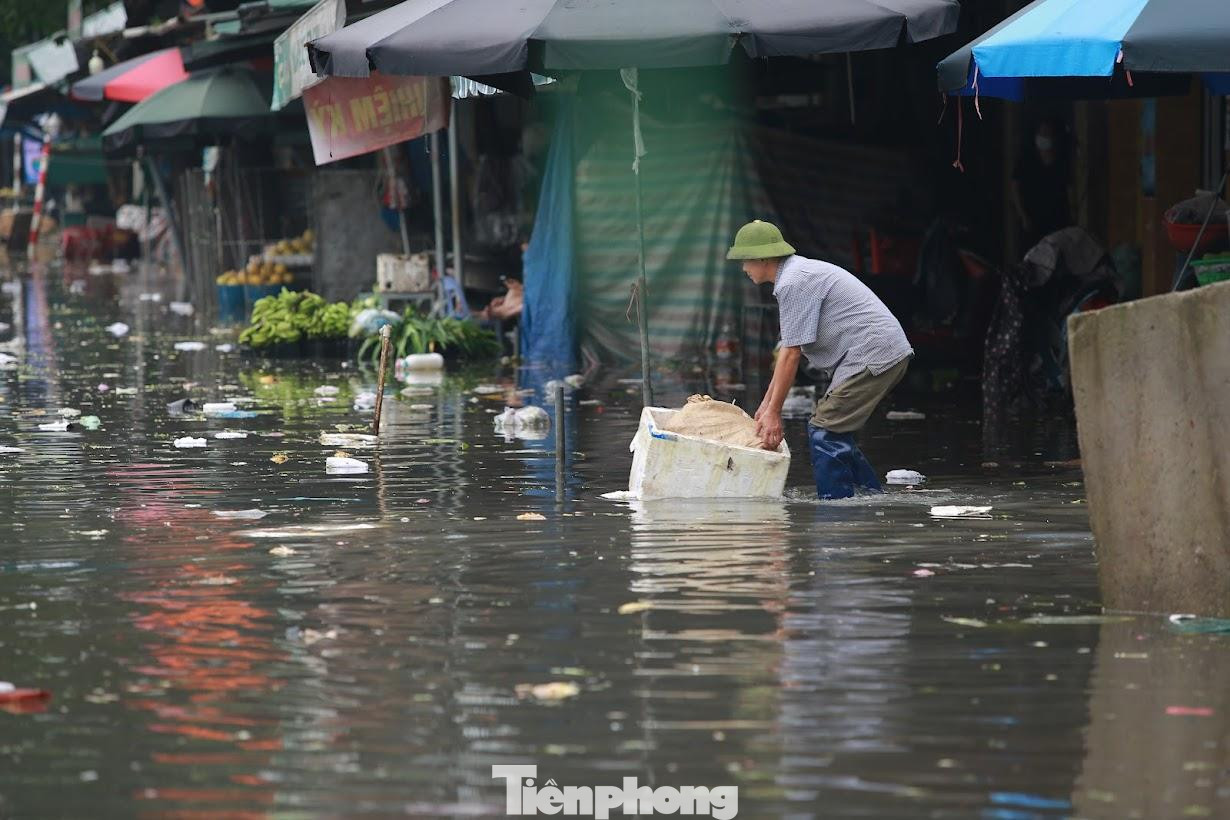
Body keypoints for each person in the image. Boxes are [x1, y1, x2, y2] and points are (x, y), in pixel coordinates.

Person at [727, 220, 913, 500]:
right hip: (871, 354)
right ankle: (870, 499)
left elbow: (791, 353)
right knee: (834, 432)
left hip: (874, 353)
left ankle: (836, 512)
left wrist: (775, 413)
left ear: (763, 257)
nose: (744, 269)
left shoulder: (793, 282)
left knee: (824, 431)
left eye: (745, 261)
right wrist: (766, 407)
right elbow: (788, 351)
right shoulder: (796, 275)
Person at [1010, 118, 1073, 250]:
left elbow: (1068, 190)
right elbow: (1015, 185)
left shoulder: (1061, 162)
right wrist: (1023, 215)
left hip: (1057, 221)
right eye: (1042, 133)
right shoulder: (1027, 160)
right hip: (1033, 221)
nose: (1045, 137)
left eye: (1048, 134)